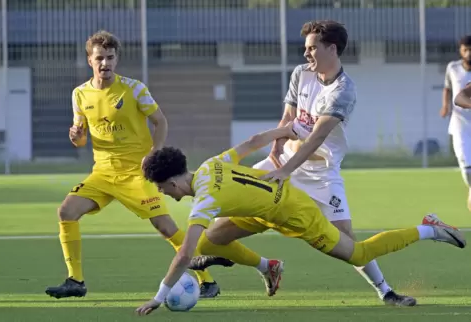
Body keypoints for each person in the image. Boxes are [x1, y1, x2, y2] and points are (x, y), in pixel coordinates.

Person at [190, 20, 415, 306]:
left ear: (331, 48)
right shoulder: (300, 74)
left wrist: (285, 170)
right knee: (217, 233)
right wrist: (276, 148)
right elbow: (288, 119)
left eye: (312, 48)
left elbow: (316, 139)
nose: (306, 53)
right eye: (305, 48)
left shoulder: (343, 90)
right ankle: (267, 267)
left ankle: (386, 292)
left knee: (346, 240)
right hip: (283, 163)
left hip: (320, 174)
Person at [135, 122, 466, 315]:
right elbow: (251, 143)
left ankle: (429, 229)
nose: (166, 194)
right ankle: (269, 267)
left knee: (359, 253)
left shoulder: (205, 200)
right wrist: (288, 128)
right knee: (211, 241)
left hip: (294, 213)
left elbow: (183, 253)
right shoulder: (209, 165)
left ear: (175, 182)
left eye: (164, 188)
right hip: (262, 208)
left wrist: (160, 296)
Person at [44, 30, 220, 299]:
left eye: (110, 58)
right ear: (89, 60)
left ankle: (207, 281)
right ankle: (75, 281)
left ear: (117, 59)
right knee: (66, 212)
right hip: (102, 174)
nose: (106, 63)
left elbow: (161, 122)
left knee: (166, 228)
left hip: (136, 173)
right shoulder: (79, 94)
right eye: (100, 58)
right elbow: (80, 139)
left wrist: (154, 154)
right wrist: (77, 137)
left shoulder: (134, 88)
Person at [441, 35, 471, 211]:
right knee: (467, 168)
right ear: (460, 50)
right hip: (460, 124)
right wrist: (445, 106)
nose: (468, 53)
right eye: (465, 49)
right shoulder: (453, 68)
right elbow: (454, 93)